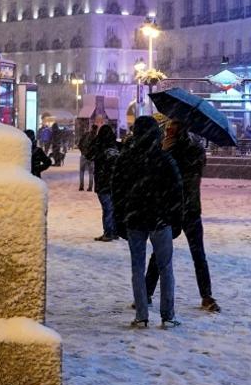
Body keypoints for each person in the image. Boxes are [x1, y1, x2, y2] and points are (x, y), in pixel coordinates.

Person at [110, 115, 185, 328]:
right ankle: (167, 315)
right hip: (160, 220)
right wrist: (176, 220)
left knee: (137, 267)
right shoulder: (165, 159)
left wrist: (119, 219)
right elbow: (177, 192)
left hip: (135, 219)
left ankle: (141, 314)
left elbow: (118, 191)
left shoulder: (126, 159)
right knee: (165, 268)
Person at [151, 119, 217, 313]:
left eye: (172, 125)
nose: (168, 128)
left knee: (160, 253)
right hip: (191, 207)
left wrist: (164, 151)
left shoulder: (172, 150)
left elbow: (161, 174)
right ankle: (206, 296)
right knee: (198, 255)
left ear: (179, 128)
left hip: (174, 208)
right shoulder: (196, 148)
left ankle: (146, 292)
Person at [91, 124, 121, 242]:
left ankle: (109, 232)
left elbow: (88, 154)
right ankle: (113, 231)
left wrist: (96, 141)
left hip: (103, 182)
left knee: (108, 208)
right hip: (116, 182)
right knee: (113, 208)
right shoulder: (117, 146)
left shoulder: (98, 147)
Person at [77, 122, 99, 191]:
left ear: (91, 128)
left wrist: (82, 151)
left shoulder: (85, 135)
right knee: (91, 172)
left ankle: (81, 186)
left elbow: (79, 144)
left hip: (83, 155)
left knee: (81, 171)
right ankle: (90, 187)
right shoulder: (97, 137)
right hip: (92, 157)